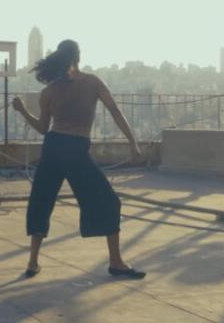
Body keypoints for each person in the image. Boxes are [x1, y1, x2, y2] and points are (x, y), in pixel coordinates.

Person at [12, 39, 146, 280]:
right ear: (78, 56)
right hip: (75, 149)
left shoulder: (49, 91)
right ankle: (116, 262)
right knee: (108, 201)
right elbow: (115, 110)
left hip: (53, 147)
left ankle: (32, 262)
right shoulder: (93, 82)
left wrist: (23, 111)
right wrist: (133, 143)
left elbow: (43, 128)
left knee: (42, 201)